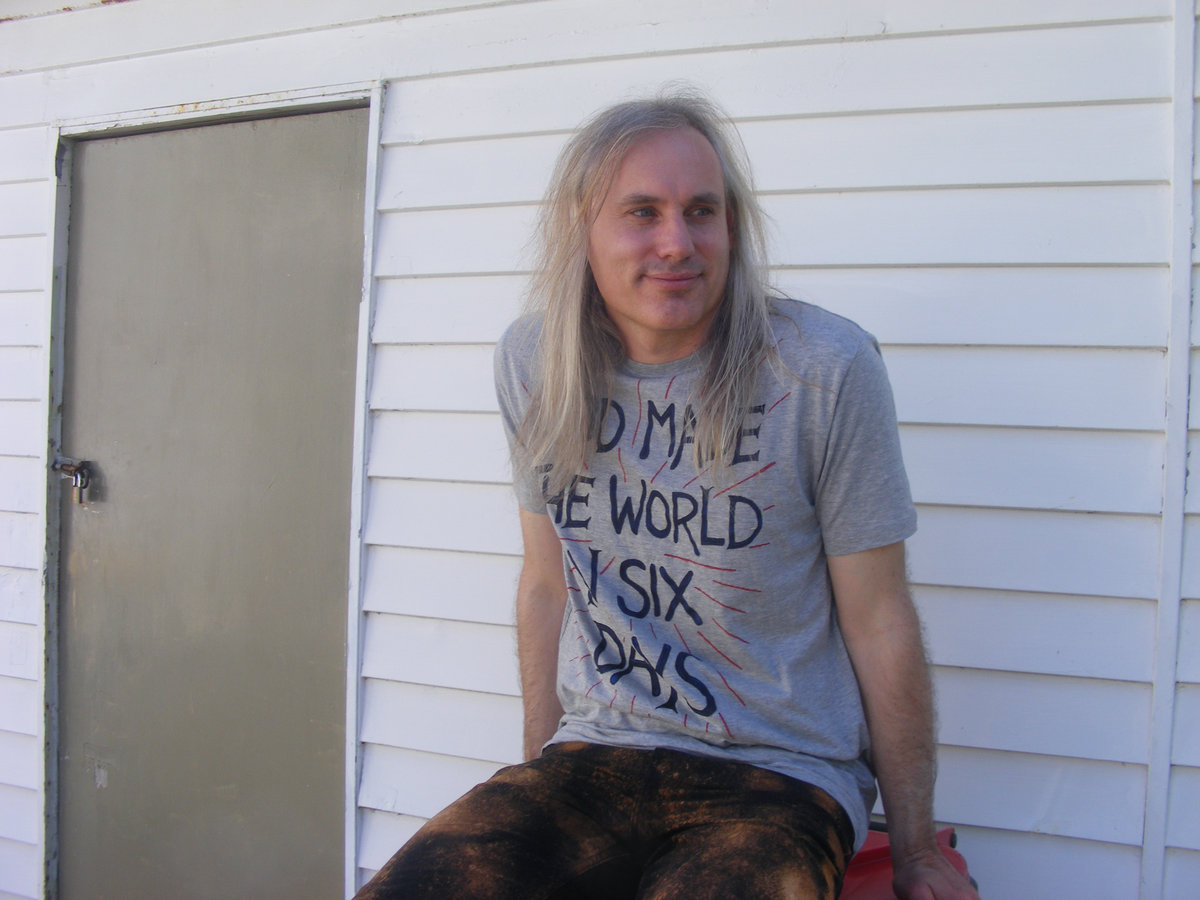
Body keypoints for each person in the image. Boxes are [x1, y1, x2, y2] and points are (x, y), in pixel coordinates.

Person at [356, 89, 980, 900]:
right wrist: (537, 775)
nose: (677, 243)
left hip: (778, 778)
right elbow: (547, 584)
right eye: (642, 212)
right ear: (581, 227)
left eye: (702, 212)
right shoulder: (535, 362)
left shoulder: (821, 370)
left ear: (733, 227)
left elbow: (880, 617)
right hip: (595, 758)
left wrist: (917, 852)